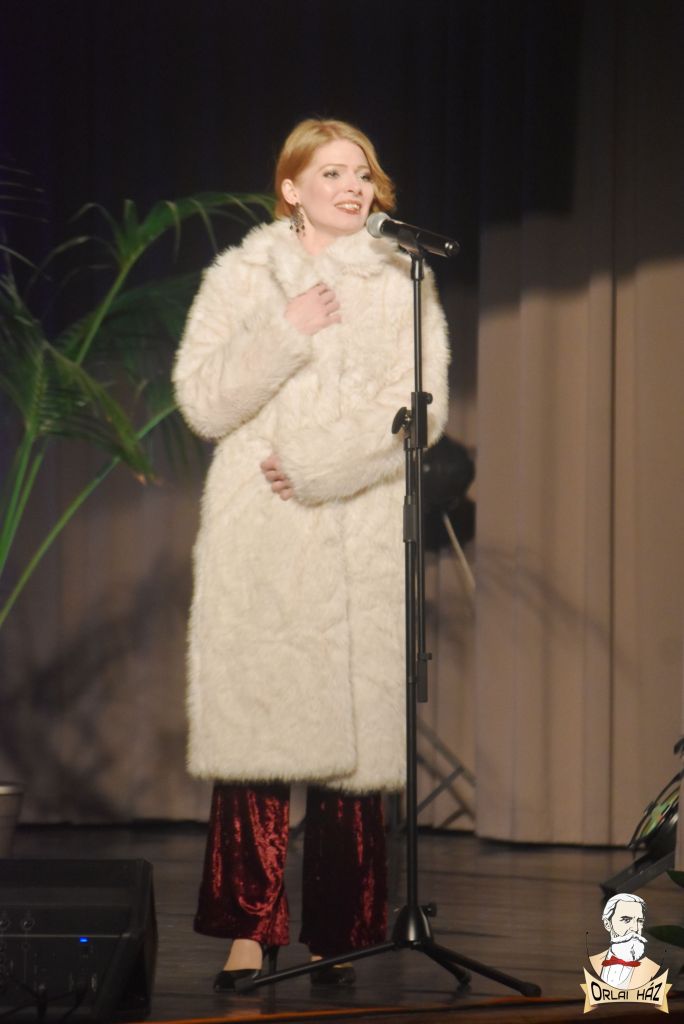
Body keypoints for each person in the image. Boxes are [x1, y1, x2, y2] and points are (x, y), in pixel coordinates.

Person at [173, 117, 450, 991]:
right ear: (291, 187)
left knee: (353, 758)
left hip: (356, 524)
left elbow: (422, 410)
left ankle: (342, 931)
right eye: (331, 172)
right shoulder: (241, 276)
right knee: (258, 742)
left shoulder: (403, 277)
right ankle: (247, 931)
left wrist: (321, 466)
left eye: (362, 172)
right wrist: (284, 331)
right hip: (262, 532)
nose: (352, 186)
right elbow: (202, 403)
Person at [589, 893, 660, 989]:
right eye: (626, 920)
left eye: (639, 921)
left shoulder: (653, 970)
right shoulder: (592, 963)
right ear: (607, 924)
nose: (635, 929)